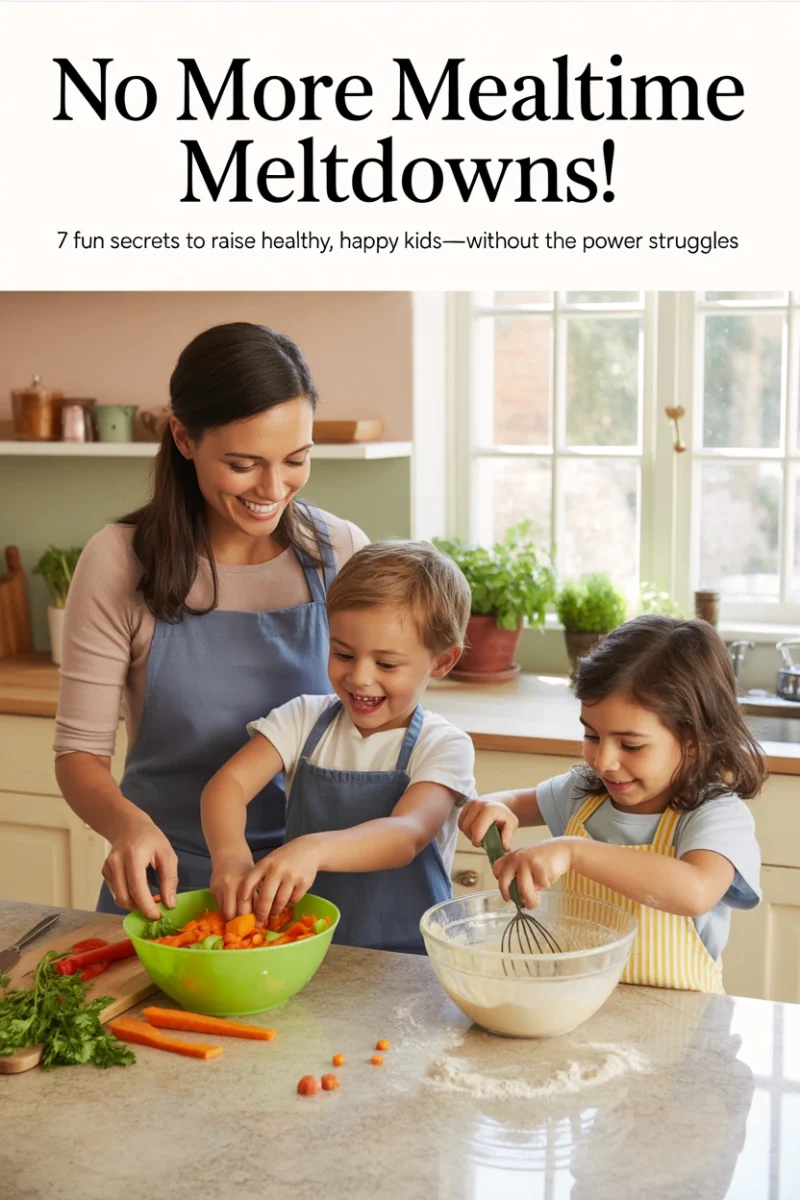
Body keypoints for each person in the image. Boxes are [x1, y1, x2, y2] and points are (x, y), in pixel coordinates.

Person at [54, 322, 368, 919]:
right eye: (245, 464)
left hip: (313, 893)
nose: (274, 489)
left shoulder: (340, 553)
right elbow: (79, 755)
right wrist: (127, 827)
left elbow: (383, 727)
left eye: (296, 459)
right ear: (183, 436)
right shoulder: (119, 560)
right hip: (169, 888)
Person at [459, 616, 766, 993]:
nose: (603, 761)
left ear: (694, 740)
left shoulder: (715, 815)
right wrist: (492, 807)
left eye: (631, 745)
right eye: (591, 734)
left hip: (682, 1031)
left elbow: (695, 891)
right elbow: (506, 802)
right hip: (578, 1009)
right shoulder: (584, 794)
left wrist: (574, 852)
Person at [201, 541, 476, 953]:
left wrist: (313, 848)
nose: (360, 678)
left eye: (386, 664)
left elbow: (406, 835)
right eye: (343, 653)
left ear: (441, 662)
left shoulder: (443, 746)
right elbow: (227, 786)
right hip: (305, 951)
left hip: (412, 962)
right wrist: (230, 856)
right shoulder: (302, 719)